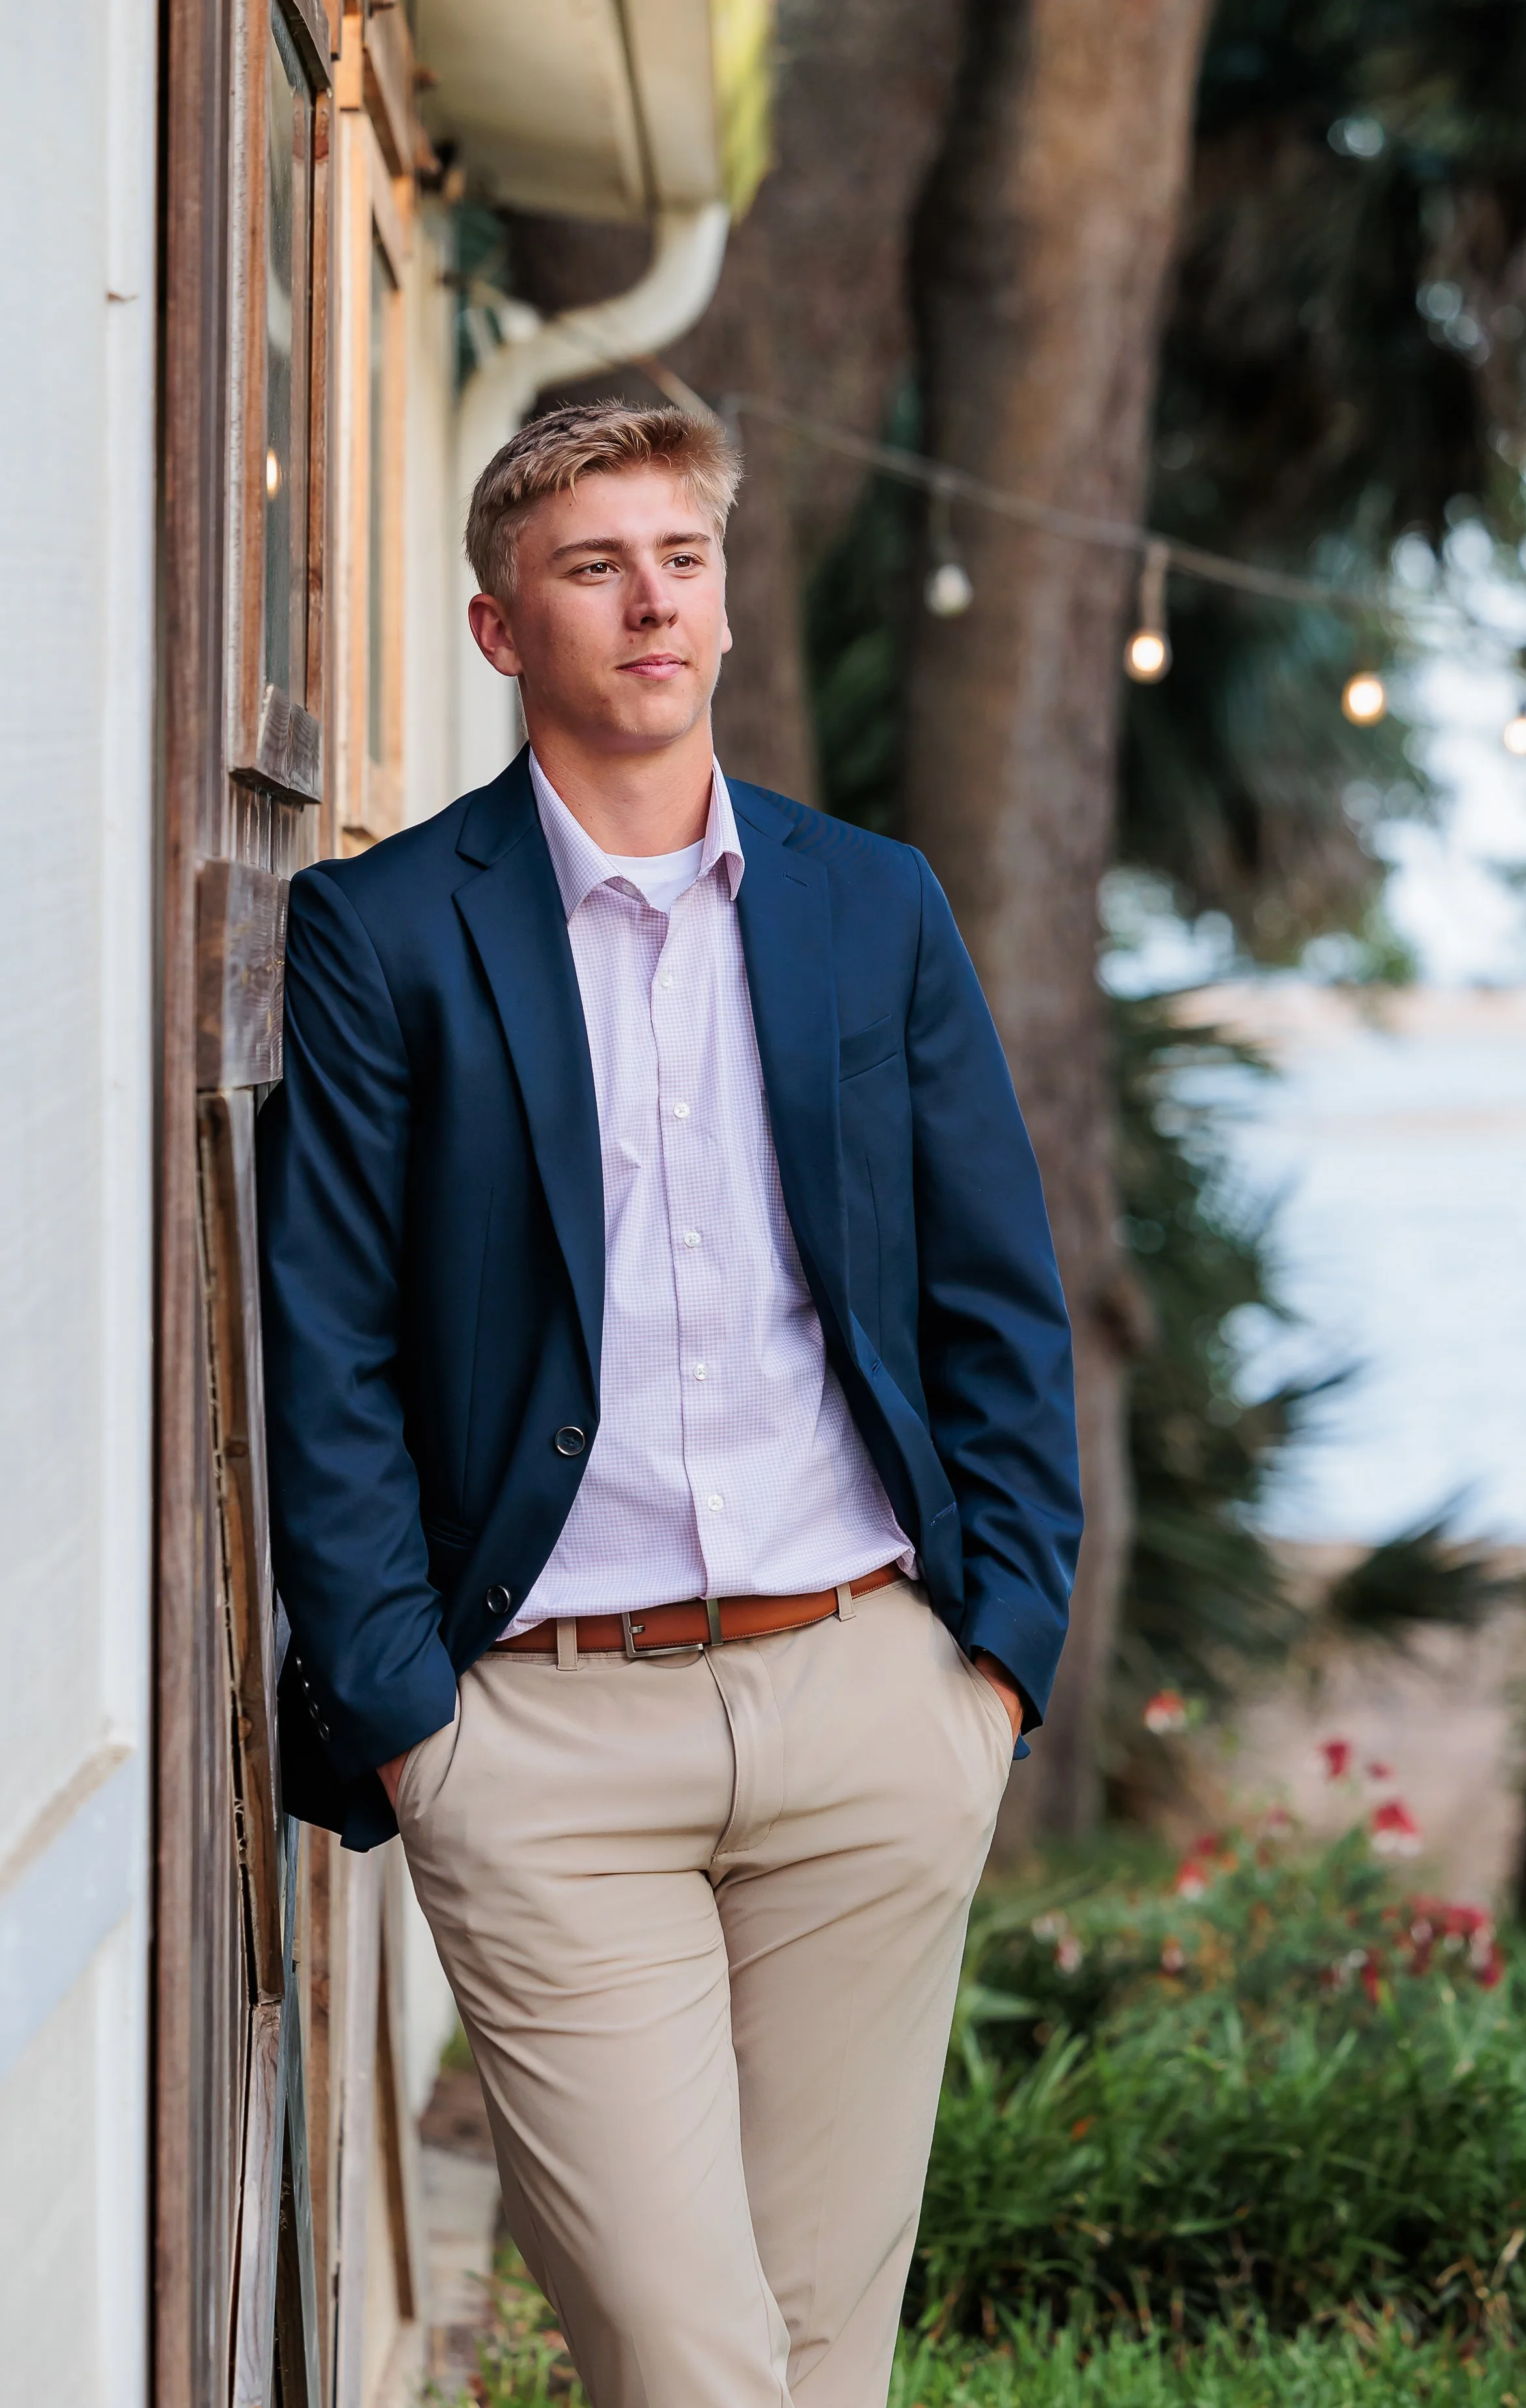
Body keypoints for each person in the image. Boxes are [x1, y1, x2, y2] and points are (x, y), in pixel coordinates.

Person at [258, 399, 1082, 2408]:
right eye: (593, 567)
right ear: (498, 627)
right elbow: (328, 1342)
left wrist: (992, 1664)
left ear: (719, 602)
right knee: (679, 2347)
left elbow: (993, 1292)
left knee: (820, 2348)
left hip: (865, 1699)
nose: (650, 602)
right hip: (539, 1736)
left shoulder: (868, 903)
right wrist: (412, 1720)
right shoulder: (385, 930)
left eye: (681, 561)